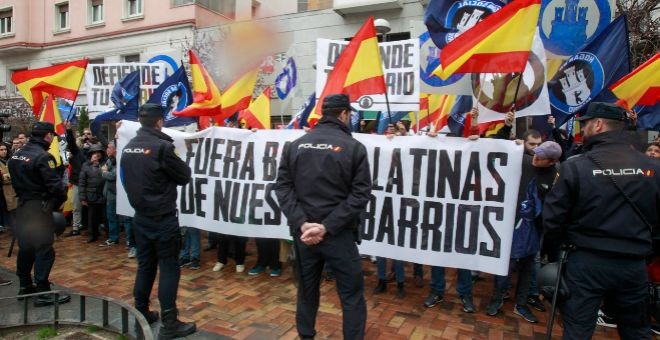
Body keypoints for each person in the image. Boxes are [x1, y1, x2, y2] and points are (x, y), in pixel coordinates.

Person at [543, 102, 660, 339]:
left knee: (577, 331)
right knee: (637, 332)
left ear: (598, 125)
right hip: (634, 264)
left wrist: (554, 256)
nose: (582, 129)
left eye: (585, 124)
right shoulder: (652, 168)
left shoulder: (576, 166)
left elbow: (553, 220)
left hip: (586, 262)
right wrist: (647, 252)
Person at [275, 93, 372, 340]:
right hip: (337, 235)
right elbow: (360, 194)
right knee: (350, 295)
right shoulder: (354, 147)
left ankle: (305, 336)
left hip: (305, 235)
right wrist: (326, 227)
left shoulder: (296, 145)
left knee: (307, 291)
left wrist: (303, 224)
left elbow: (283, 188)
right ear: (343, 114)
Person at [121, 103, 196, 339]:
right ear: (159, 122)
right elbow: (184, 176)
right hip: (162, 218)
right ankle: (170, 323)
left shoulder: (129, 147)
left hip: (140, 218)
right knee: (168, 268)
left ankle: (141, 314)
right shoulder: (162, 147)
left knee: (145, 267)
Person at [8, 122, 69, 307]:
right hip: (39, 207)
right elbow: (56, 188)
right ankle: (42, 291)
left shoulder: (16, 155)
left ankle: (25, 286)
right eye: (52, 135)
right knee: (44, 250)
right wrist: (58, 199)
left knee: (26, 248)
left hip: (23, 207)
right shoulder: (43, 157)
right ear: (48, 135)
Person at [79, 145, 106, 244]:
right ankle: (92, 235)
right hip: (91, 195)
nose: (97, 154)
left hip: (103, 194)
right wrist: (82, 197)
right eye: (94, 152)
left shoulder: (105, 163)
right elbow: (82, 182)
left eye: (98, 152)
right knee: (92, 217)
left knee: (105, 216)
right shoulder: (86, 165)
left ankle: (108, 235)